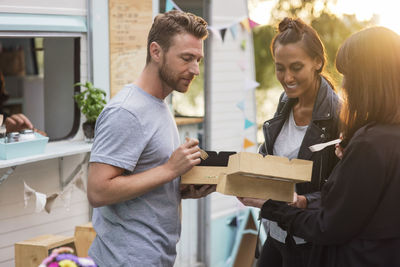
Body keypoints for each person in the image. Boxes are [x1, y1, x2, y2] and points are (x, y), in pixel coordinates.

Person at [241, 26, 400, 266]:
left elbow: (332, 223)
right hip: (280, 234)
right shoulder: (285, 104)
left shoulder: (363, 137)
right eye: (280, 68)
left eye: (349, 75)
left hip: (314, 243)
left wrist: (277, 205)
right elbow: (355, 201)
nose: (344, 84)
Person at [86, 10, 214, 266]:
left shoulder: (158, 103)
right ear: (156, 52)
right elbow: (98, 191)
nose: (195, 70)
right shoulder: (127, 111)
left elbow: (142, 177)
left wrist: (180, 188)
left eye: (198, 59)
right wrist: (169, 170)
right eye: (187, 58)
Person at [255, 17, 340, 267]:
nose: (287, 77)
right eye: (280, 67)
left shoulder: (339, 116)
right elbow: (273, 157)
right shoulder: (285, 101)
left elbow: (343, 191)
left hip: (309, 244)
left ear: (317, 62)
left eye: (296, 67)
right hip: (275, 233)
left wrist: (303, 201)